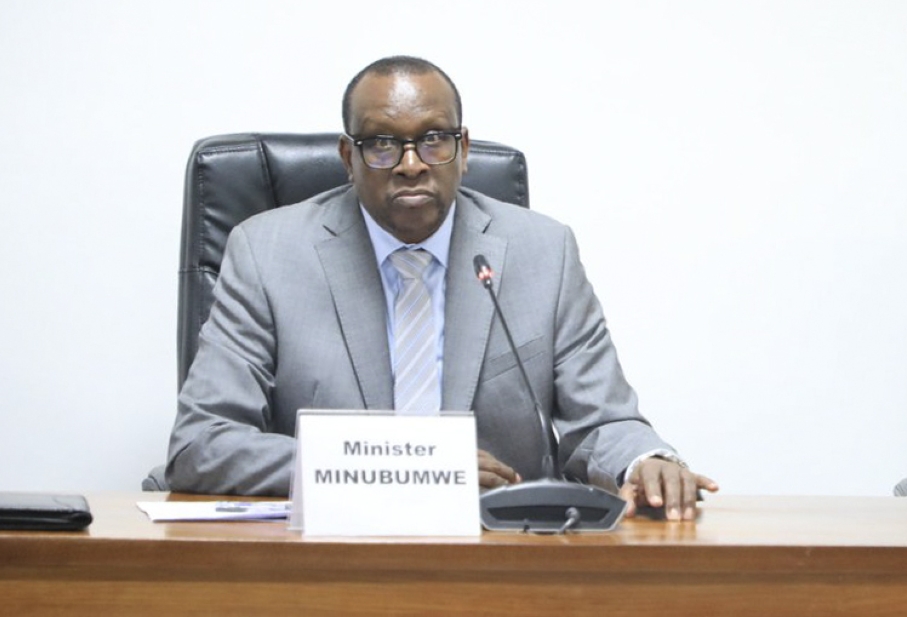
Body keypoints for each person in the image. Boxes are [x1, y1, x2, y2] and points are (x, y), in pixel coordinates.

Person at [166, 55, 718, 521]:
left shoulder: (542, 252)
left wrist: (646, 460)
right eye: (382, 144)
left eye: (434, 141)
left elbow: (602, 421)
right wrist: (408, 468)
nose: (411, 165)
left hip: (502, 555)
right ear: (348, 158)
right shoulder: (267, 253)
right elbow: (201, 441)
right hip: (331, 552)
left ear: (464, 149)